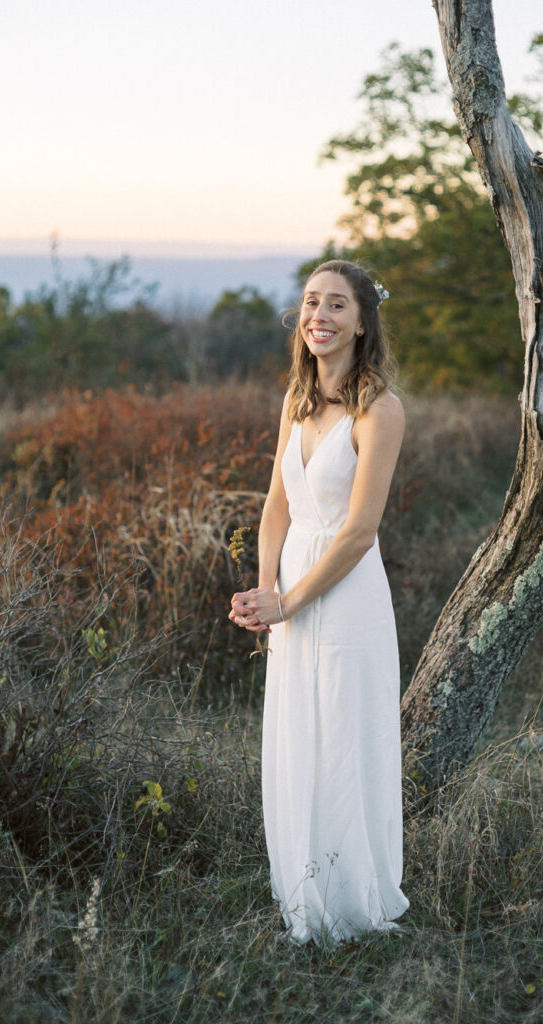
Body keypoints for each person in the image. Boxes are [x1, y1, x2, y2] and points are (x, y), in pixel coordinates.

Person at [229, 259, 409, 945]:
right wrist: (264, 588)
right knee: (298, 736)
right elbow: (278, 502)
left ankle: (354, 905)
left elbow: (361, 531)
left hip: (346, 594)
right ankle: (302, 893)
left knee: (342, 740)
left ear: (363, 322)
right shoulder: (294, 401)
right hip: (293, 590)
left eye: (337, 305)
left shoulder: (379, 411)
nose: (320, 317)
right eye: (310, 303)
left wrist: (294, 600)